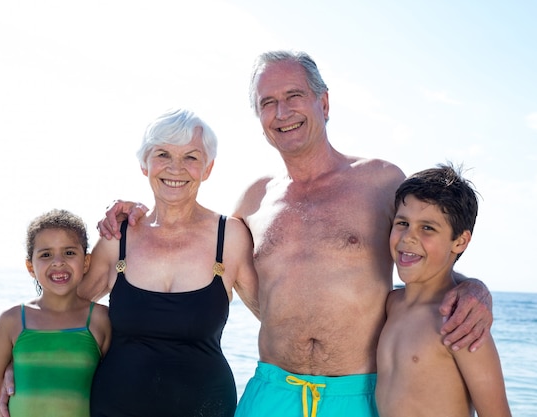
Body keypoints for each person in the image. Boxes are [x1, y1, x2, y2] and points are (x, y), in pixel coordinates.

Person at [94, 51, 494, 417]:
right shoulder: (254, 201)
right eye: (268, 102)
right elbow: (193, 241)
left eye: (293, 96)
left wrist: (474, 287)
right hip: (272, 391)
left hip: (357, 394)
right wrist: (135, 214)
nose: (281, 112)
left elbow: (427, 252)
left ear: (323, 102)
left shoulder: (381, 181)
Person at [87, 108, 259, 417]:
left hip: (207, 408)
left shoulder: (229, 236)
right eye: (163, 154)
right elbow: (60, 312)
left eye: (191, 157)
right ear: (145, 164)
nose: (175, 168)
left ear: (207, 168)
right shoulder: (118, 236)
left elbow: (276, 319)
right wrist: (18, 364)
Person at [375, 164, 511, 417]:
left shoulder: (460, 322)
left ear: (460, 241)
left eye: (427, 228)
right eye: (402, 222)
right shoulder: (391, 304)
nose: (408, 237)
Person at [0, 209, 111, 417]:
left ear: (86, 262)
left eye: (69, 252)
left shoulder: (100, 319)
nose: (58, 261)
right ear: (30, 266)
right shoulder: (12, 320)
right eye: (46, 254)